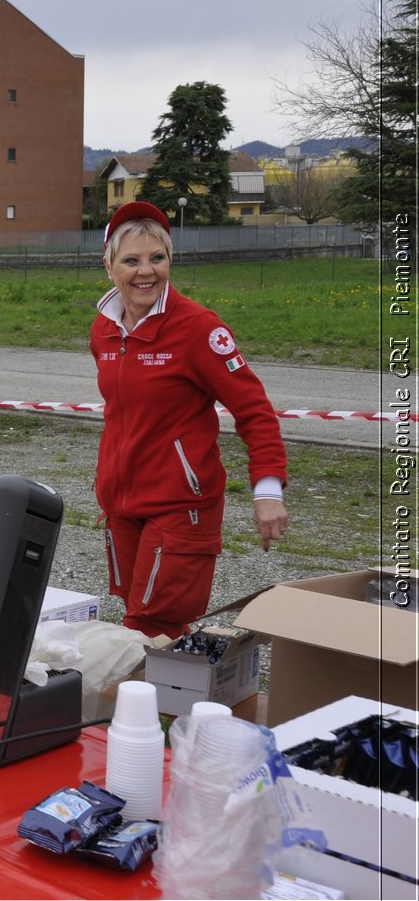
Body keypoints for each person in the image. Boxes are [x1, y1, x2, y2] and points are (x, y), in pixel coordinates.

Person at [93, 201, 288, 637]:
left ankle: (159, 702)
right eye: (132, 260)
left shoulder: (199, 329)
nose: (147, 271)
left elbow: (254, 409)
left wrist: (267, 489)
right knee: (134, 611)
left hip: (182, 506)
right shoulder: (103, 329)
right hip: (122, 505)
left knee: (150, 624)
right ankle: (163, 699)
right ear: (109, 266)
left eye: (157, 258)